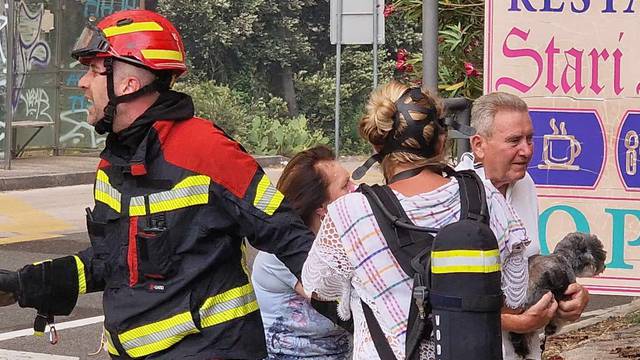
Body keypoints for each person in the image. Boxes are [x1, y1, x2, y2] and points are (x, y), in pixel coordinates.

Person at [0, 10, 315, 359]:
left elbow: (289, 235)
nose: (82, 83)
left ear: (127, 84)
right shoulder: (113, 163)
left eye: (92, 70)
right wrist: (25, 284)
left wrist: (350, 308)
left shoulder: (205, 150)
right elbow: (114, 261)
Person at [301, 81, 532, 359]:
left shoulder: (350, 213)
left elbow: (319, 288)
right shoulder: (485, 197)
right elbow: (515, 296)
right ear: (442, 139)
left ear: (377, 143)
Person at [456, 91, 589, 359]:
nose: (526, 150)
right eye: (514, 141)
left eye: (530, 138)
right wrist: (510, 322)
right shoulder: (456, 194)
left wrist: (569, 301)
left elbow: (529, 273)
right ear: (479, 145)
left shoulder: (525, 184)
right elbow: (445, 298)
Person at [252, 145, 354, 359]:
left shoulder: (336, 242)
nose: (356, 189)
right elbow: (341, 308)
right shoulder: (283, 253)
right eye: (346, 186)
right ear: (322, 208)